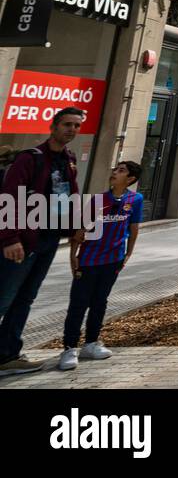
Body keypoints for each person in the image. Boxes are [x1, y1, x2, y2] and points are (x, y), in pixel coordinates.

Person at [0, 107, 85, 376]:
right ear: (54, 126)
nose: (72, 129)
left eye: (77, 125)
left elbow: (69, 195)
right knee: (3, 298)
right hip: (22, 242)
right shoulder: (30, 159)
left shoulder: (69, 159)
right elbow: (9, 198)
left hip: (47, 241)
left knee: (25, 298)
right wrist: (10, 238)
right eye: (67, 124)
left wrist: (75, 227)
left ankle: (7, 355)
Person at [58, 160, 143, 371]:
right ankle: (69, 347)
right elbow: (79, 232)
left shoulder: (135, 199)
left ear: (130, 179)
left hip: (113, 260)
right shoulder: (98, 200)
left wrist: (128, 253)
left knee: (99, 302)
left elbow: (133, 228)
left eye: (121, 171)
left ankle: (91, 343)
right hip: (89, 260)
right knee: (78, 303)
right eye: (115, 169)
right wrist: (73, 256)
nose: (115, 172)